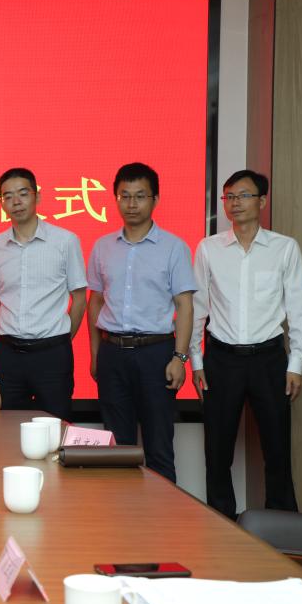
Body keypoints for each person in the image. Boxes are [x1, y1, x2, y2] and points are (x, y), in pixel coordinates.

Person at [191, 169, 302, 518]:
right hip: (221, 359)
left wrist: (296, 364)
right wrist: (195, 361)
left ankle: (283, 528)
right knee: (217, 451)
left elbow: (299, 309)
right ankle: (221, 524)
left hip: (269, 359)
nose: (235, 203)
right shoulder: (209, 248)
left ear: (262, 201)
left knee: (277, 450)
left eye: (243, 195)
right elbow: (197, 308)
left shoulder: (284, 248)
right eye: (229, 196)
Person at [86, 162, 196, 483]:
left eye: (140, 196)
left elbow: (185, 306)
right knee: (116, 448)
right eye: (125, 196)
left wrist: (180, 358)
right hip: (113, 353)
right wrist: (95, 353)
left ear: (155, 200)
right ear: (116, 199)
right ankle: (120, 513)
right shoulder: (103, 246)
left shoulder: (174, 247)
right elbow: (95, 302)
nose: (131, 204)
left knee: (159, 447)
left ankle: (163, 515)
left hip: (156, 354)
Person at [0, 168, 87, 419]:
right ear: (2, 203)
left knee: (56, 424)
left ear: (37, 196)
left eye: (23, 193)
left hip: (52, 354)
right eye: (8, 196)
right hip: (7, 355)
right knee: (4, 425)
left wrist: (61, 338)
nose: (16, 202)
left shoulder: (65, 241)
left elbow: (79, 298)